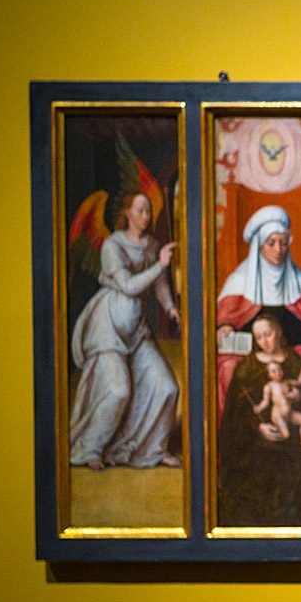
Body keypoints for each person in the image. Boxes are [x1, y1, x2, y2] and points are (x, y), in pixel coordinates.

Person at [69, 192, 181, 471]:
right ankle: (90, 448)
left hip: (137, 331)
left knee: (166, 386)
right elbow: (130, 286)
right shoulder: (112, 245)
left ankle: (151, 451)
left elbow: (159, 285)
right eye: (140, 211)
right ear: (127, 213)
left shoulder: (153, 245)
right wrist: (160, 265)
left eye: (148, 212)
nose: (146, 216)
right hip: (107, 330)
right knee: (118, 390)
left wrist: (170, 308)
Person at [217, 314, 301, 525]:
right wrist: (259, 427)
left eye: (268, 334)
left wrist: (300, 394)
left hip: (292, 435)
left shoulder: (293, 360)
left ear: (279, 332)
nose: (264, 341)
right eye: (259, 338)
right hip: (257, 438)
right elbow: (238, 411)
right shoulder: (247, 367)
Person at [216, 204, 301, 408]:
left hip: (294, 355)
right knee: (227, 368)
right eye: (272, 243)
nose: (279, 250)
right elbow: (223, 321)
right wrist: (225, 327)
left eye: (283, 243)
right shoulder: (238, 282)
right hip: (250, 358)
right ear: (259, 245)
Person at [252, 361, 301, 449]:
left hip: (289, 413)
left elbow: (300, 382)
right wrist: (259, 408)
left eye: (279, 369)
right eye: (274, 371)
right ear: (269, 375)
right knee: (286, 435)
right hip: (278, 415)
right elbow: (266, 401)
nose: (278, 372)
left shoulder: (287, 382)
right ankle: (271, 429)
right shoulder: (269, 386)